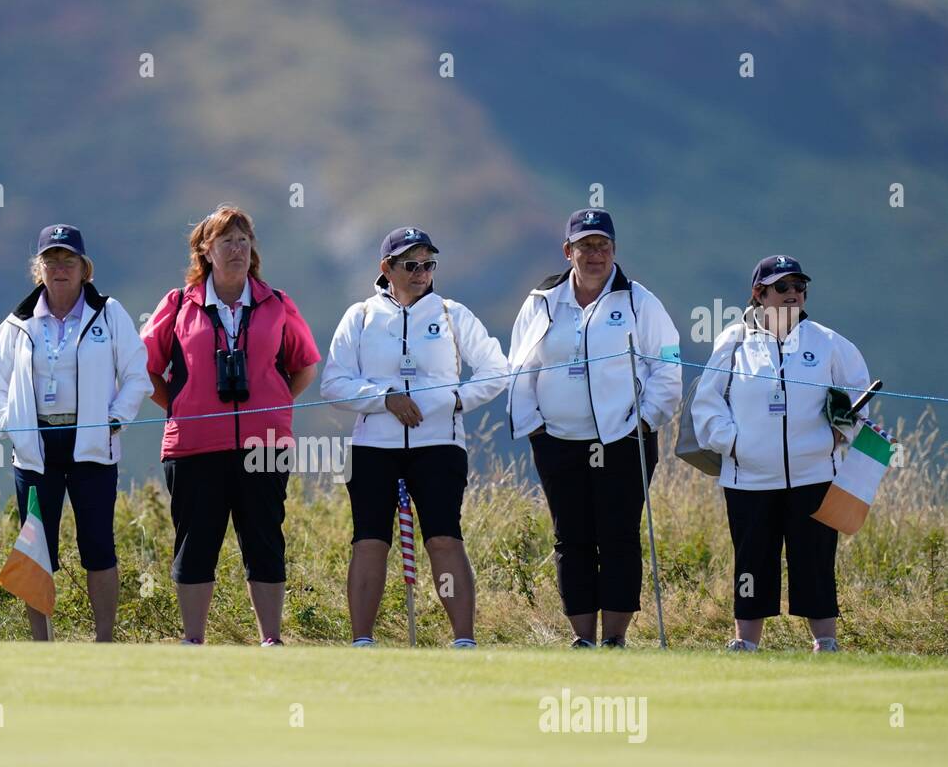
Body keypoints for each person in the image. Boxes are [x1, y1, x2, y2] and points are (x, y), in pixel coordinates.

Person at [142, 205, 321, 646]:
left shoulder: (276, 303)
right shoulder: (179, 304)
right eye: (227, 241)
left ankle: (271, 640)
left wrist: (273, 404)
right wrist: (180, 406)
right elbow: (144, 368)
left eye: (244, 240)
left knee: (264, 539)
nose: (237, 249)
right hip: (194, 446)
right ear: (205, 249)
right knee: (195, 541)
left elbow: (306, 365)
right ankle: (194, 640)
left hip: (264, 445)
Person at [320, 227, 508, 648]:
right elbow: (333, 384)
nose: (422, 273)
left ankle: (463, 640)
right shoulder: (361, 315)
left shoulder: (453, 314)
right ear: (386, 269)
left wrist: (456, 400)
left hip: (439, 444)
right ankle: (362, 642)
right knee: (369, 541)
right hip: (374, 446)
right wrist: (383, 398)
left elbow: (498, 370)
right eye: (411, 265)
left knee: (443, 539)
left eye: (428, 264)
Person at [507, 209, 683, 648]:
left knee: (619, 536)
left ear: (615, 250)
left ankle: (616, 638)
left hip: (624, 441)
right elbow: (520, 368)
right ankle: (582, 638)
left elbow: (669, 370)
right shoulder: (542, 300)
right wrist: (535, 428)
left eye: (603, 245)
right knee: (572, 538)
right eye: (585, 246)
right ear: (568, 252)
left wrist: (643, 422)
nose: (595, 254)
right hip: (557, 441)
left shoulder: (640, 302)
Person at [692, 255, 871, 653]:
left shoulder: (828, 342)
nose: (793, 294)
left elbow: (859, 398)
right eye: (782, 288)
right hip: (748, 477)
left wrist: (844, 424)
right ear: (759, 294)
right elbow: (707, 403)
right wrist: (733, 443)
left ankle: (825, 643)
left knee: (815, 562)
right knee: (752, 562)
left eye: (799, 287)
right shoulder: (733, 341)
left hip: (814, 474)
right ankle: (745, 643)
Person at [0, 225, 152, 642]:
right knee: (37, 552)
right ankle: (42, 643)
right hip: (36, 450)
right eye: (51, 261)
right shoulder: (17, 322)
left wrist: (116, 419)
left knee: (98, 547)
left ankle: (104, 641)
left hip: (92, 447)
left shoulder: (109, 313)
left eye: (68, 261)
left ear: (84, 268)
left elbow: (136, 374)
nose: (60, 268)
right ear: (38, 269)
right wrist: (10, 427)